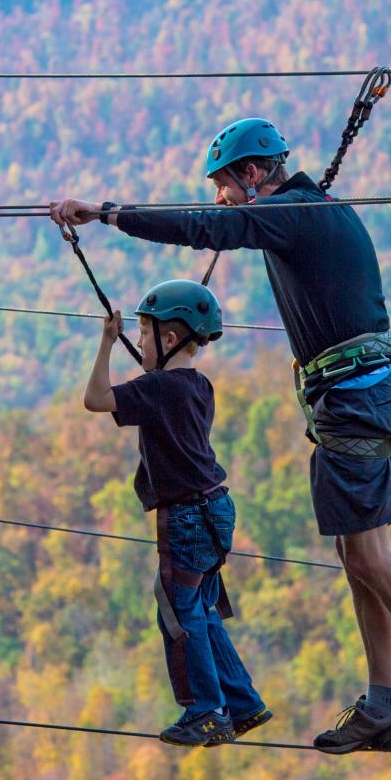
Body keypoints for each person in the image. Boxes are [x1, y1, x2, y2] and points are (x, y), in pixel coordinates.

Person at [53, 118, 391, 761]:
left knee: (370, 559)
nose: (221, 200)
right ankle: (383, 706)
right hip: (358, 398)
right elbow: (241, 227)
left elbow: (204, 230)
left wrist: (105, 213)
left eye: (225, 185)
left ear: (255, 174)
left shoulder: (296, 215)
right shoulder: (304, 214)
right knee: (359, 557)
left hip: (357, 399)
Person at [82, 277, 271, 747]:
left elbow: (96, 399)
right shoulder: (197, 385)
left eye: (144, 334)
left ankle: (207, 710)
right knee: (201, 607)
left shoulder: (160, 387)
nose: (139, 341)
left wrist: (107, 343)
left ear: (169, 340)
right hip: (216, 508)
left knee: (177, 608)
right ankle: (242, 702)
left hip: (185, 515)